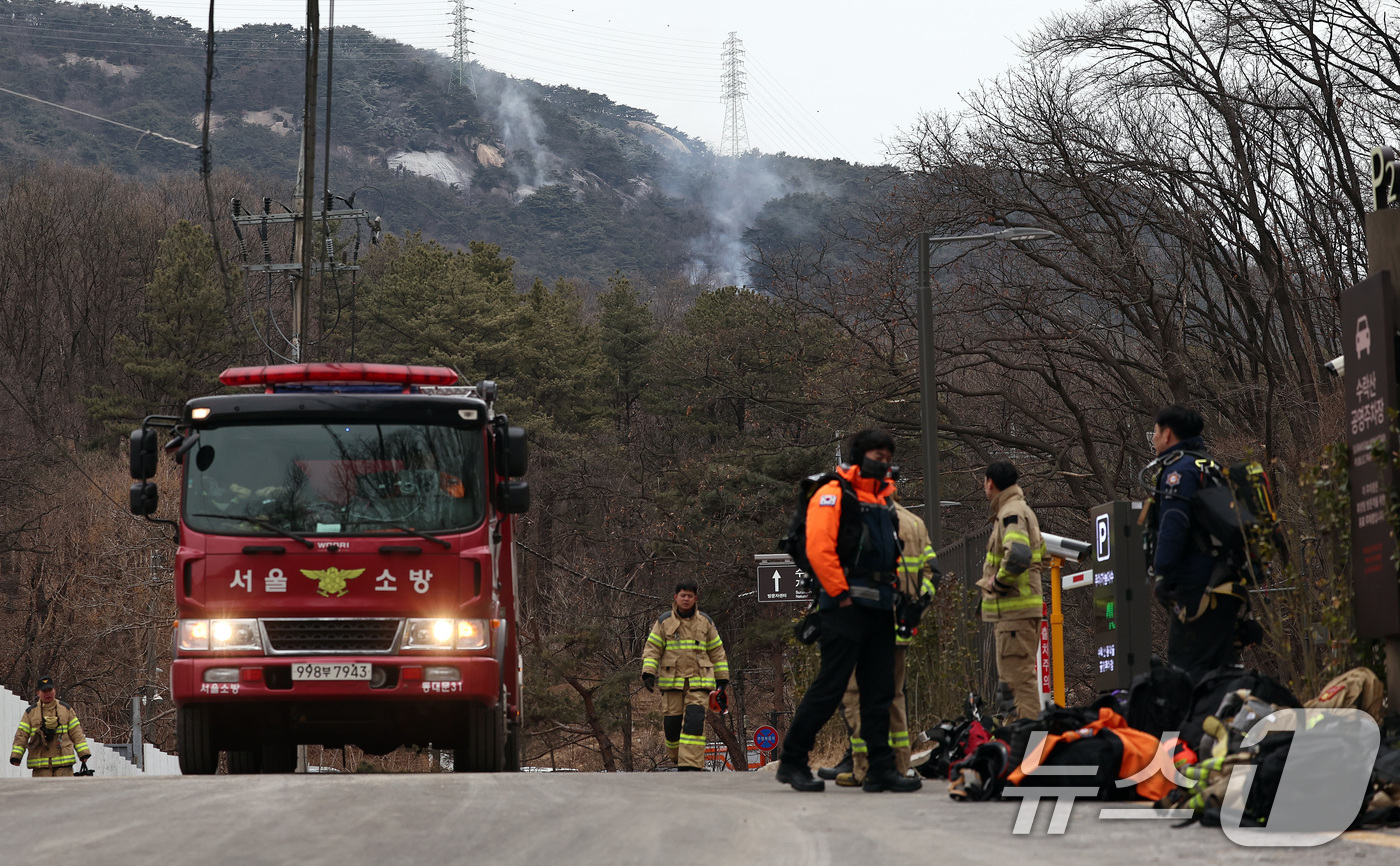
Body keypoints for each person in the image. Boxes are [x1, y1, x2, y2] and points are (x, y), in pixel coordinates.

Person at [776, 429, 921, 793]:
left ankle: (880, 770)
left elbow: (893, 556)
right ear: (859, 457)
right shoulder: (833, 492)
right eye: (877, 455)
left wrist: (902, 598)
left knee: (879, 692)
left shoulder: (883, 501)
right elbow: (819, 549)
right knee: (831, 686)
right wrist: (839, 596)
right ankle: (793, 761)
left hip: (880, 606)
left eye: (889, 457)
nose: (884, 462)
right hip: (844, 607)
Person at [829, 497, 940, 787]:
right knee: (893, 696)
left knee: (855, 694)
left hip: (865, 624)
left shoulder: (860, 520)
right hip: (900, 626)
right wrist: (915, 609)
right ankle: (901, 766)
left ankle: (863, 768)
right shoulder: (915, 523)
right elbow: (932, 574)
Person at [1148, 405, 1242, 680]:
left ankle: (1200, 721)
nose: (1153, 439)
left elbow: (1174, 522)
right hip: (1225, 579)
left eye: (1154, 432)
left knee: (1187, 666)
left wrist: (1162, 571)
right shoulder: (1211, 466)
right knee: (1220, 666)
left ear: (1167, 434)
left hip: (1197, 584)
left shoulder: (1179, 471)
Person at [977, 461, 1046, 721]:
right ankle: (1018, 743)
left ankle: (1030, 750)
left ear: (990, 482)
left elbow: (1018, 555)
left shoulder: (1011, 513)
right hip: (1017, 616)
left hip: (1015, 615)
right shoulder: (1019, 510)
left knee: (1019, 683)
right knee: (1011, 685)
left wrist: (998, 583)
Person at [641, 581, 729, 771]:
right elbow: (652, 648)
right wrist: (648, 671)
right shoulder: (664, 622)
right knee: (671, 726)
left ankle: (690, 765)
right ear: (676, 597)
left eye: (690, 595)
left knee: (695, 720)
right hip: (671, 681)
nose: (686, 599)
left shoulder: (705, 622)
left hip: (699, 682)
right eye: (683, 595)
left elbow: (717, 651)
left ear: (695, 598)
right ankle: (676, 755)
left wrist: (722, 679)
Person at [10, 676, 91, 777]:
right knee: (43, 792)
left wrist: (83, 753)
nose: (48, 693)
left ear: (55, 690)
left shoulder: (66, 710)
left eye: (50, 690)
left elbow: (76, 733)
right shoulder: (30, 713)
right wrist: (16, 756)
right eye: (44, 691)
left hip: (63, 764)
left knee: (64, 792)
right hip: (41, 765)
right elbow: (21, 735)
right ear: (38, 693)